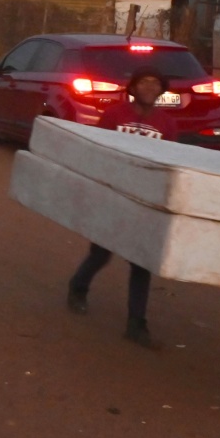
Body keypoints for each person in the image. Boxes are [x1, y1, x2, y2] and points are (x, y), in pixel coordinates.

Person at [66, 67, 179, 348]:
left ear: (162, 90)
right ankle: (78, 287)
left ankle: (136, 324)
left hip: (145, 199)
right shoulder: (114, 116)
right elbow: (100, 152)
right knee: (101, 252)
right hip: (113, 194)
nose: (150, 87)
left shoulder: (167, 124)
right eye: (144, 82)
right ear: (133, 88)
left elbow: (171, 163)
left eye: (156, 83)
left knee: (141, 262)